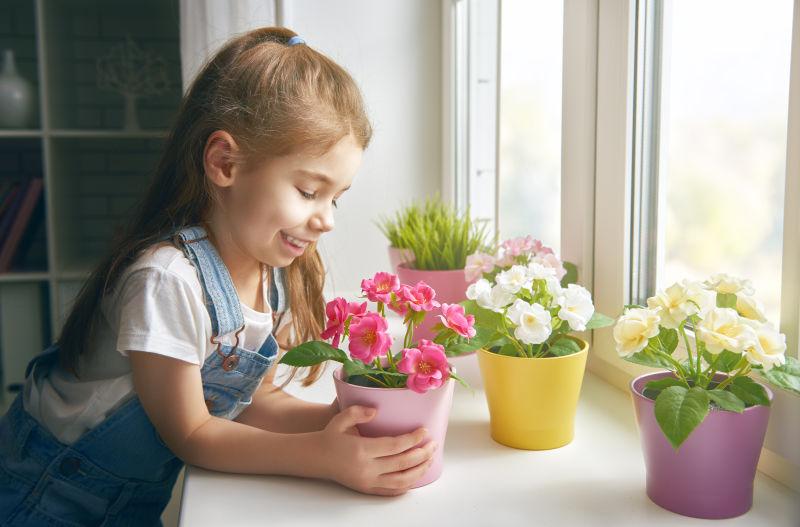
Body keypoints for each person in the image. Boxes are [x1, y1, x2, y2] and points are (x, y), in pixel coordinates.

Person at [0, 28, 436, 526]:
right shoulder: (167, 281)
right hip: (43, 499)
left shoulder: (267, 269)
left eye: (335, 197)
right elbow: (191, 432)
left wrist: (337, 424)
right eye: (309, 191)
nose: (327, 219)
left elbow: (251, 402)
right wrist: (320, 457)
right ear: (224, 162)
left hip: (127, 506)